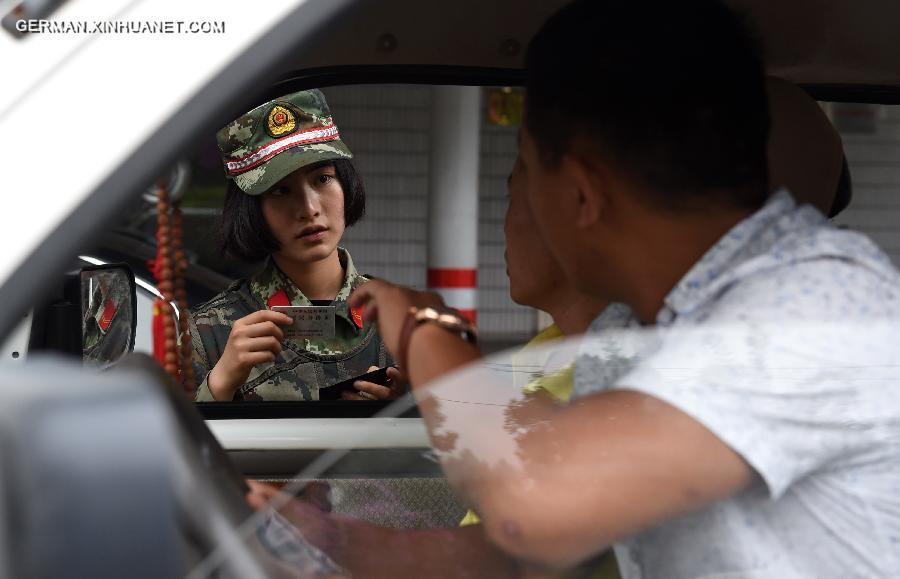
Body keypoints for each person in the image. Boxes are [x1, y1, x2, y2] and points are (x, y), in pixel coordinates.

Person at [338, 1, 900, 577]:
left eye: (526, 174)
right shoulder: (629, 331)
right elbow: (545, 550)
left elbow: (538, 501)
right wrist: (337, 546)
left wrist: (424, 327)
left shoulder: (817, 308)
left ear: (582, 194)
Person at [189, 89, 403, 402]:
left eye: (323, 179)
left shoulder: (401, 321)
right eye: (281, 191)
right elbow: (180, 446)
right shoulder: (209, 331)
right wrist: (219, 385)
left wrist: (409, 410)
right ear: (251, 209)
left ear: (346, 184)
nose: (309, 207)